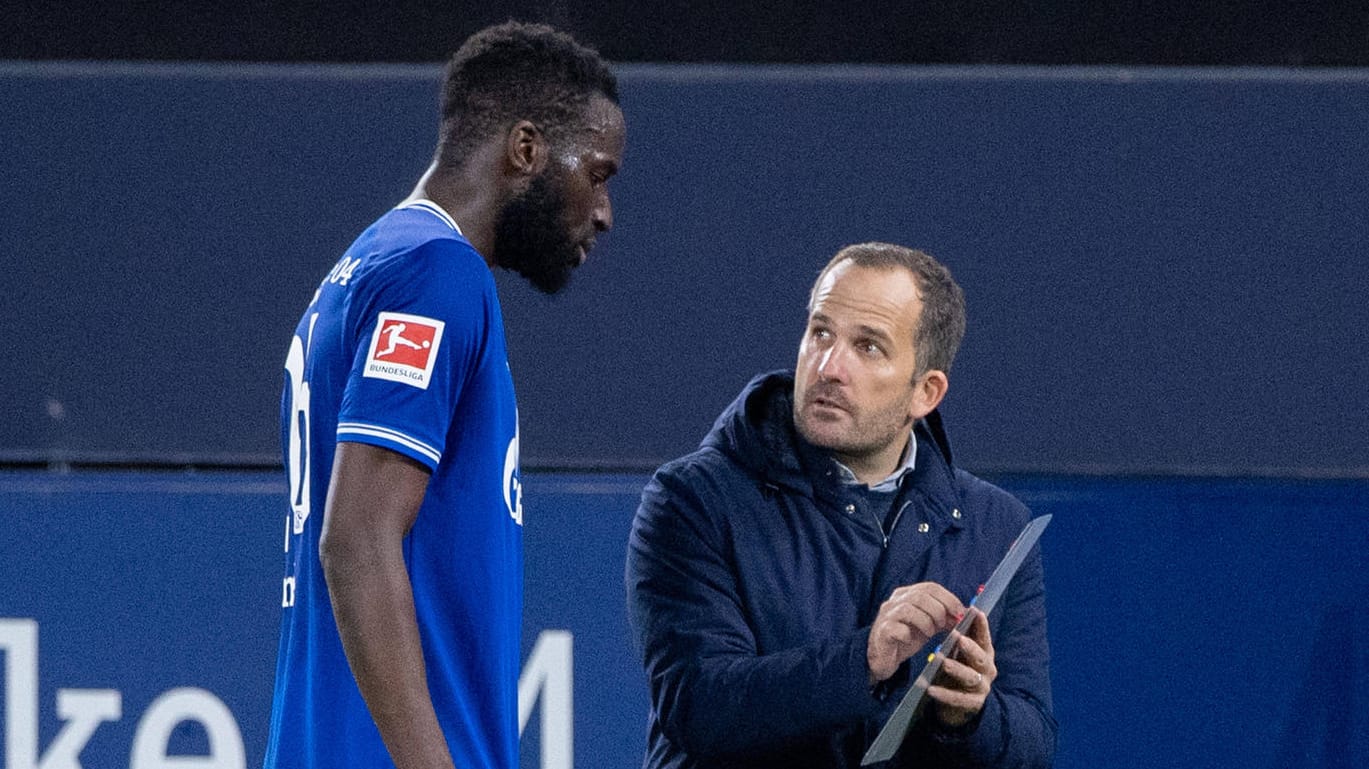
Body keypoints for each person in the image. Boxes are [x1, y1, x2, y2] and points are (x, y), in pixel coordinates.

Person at [266, 21, 625, 769]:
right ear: (525, 149)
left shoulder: (369, 264)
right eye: (596, 173)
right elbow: (356, 538)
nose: (602, 211)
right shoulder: (436, 276)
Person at [625, 243, 1055, 768]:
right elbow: (700, 706)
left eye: (868, 347)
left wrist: (969, 717)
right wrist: (865, 660)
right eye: (820, 333)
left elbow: (1034, 744)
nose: (829, 366)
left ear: (926, 392)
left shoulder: (996, 526)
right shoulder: (693, 499)